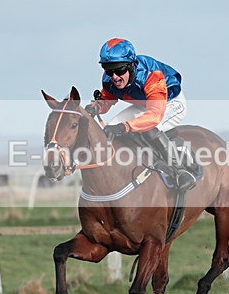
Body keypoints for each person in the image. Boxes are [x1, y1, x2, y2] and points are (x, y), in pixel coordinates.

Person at [85, 37, 199, 191]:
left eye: (119, 70)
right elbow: (108, 98)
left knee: (145, 128)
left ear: (131, 65)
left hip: (170, 103)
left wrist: (125, 127)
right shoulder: (109, 79)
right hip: (145, 104)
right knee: (110, 129)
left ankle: (180, 169)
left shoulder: (150, 74)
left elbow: (154, 116)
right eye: (109, 70)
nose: (114, 77)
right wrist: (96, 107)